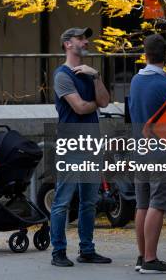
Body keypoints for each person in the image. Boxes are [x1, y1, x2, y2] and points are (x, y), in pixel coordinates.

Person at [49, 27, 111, 267]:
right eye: (80, 38)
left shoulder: (88, 73)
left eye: (86, 38)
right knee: (63, 200)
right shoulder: (62, 75)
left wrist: (95, 76)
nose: (85, 42)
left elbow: (104, 101)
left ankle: (87, 249)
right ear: (67, 44)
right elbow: (80, 107)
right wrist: (95, 102)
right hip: (71, 143)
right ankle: (58, 252)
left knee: (89, 201)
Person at [129, 34, 166, 274]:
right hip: (161, 152)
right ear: (165, 55)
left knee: (142, 204)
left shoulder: (135, 82)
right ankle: (150, 259)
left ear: (145, 55)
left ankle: (141, 256)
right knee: (157, 204)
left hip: (139, 150)